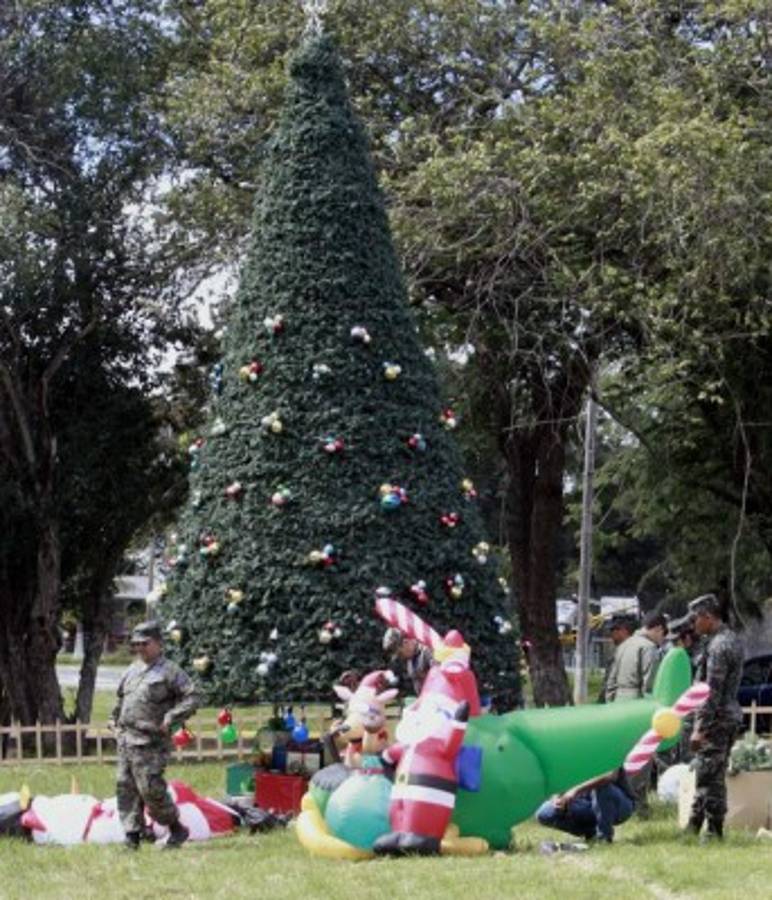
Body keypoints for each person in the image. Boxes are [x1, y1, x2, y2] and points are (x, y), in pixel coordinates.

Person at [111, 621, 200, 850]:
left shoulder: (170, 671)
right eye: (136, 644)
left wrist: (171, 717)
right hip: (126, 740)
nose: (140, 648)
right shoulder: (131, 670)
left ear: (158, 643)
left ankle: (176, 828)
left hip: (151, 742)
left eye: (145, 643)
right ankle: (132, 837)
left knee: (151, 789)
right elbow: (121, 699)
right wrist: (114, 720)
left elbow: (192, 696)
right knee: (125, 787)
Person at [684, 593, 744, 841]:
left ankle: (714, 831)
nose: (693, 625)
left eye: (695, 619)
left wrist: (700, 727)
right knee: (707, 773)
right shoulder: (728, 639)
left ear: (707, 617)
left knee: (712, 778)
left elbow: (711, 692)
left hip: (716, 720)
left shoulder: (719, 646)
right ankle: (694, 825)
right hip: (724, 717)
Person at [535, 767, 636, 846]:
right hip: (588, 804)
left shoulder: (608, 747)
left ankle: (604, 837)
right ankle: (590, 833)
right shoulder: (571, 753)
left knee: (604, 788)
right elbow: (560, 779)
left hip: (620, 805)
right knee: (544, 813)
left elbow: (609, 776)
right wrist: (556, 798)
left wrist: (575, 790)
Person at [382, 627, 434, 696]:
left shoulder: (427, 652)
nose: (401, 657)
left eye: (400, 653)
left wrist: (425, 676)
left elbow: (440, 675)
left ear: (405, 643)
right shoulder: (410, 661)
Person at [598, 616, 636, 703]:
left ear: (624, 631)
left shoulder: (633, 652)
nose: (611, 634)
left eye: (613, 630)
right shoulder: (617, 652)